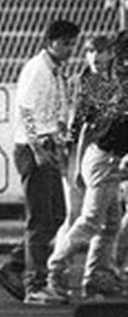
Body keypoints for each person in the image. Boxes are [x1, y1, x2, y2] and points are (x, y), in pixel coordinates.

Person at [0, 19, 81, 305]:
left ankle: (15, 265)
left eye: (72, 44)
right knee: (41, 217)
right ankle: (35, 283)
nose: (70, 49)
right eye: (65, 43)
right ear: (50, 41)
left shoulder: (54, 72)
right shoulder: (38, 69)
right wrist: (38, 149)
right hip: (34, 148)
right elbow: (25, 111)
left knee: (56, 215)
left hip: (47, 145)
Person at [45, 34, 127, 301]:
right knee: (90, 221)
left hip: (102, 157)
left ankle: (97, 277)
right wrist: (76, 166)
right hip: (105, 159)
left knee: (110, 222)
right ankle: (55, 269)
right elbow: (84, 127)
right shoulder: (104, 83)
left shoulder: (111, 82)